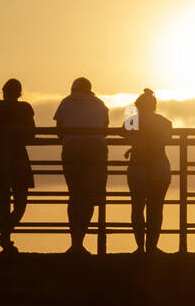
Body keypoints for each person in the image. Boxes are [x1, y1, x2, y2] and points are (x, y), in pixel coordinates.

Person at [54, 76, 110, 254]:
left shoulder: (66, 101)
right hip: (96, 151)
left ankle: (75, 243)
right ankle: (81, 241)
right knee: (91, 197)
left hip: (72, 150)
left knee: (75, 195)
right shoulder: (100, 103)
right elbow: (105, 129)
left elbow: (59, 130)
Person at [0, 78, 36, 253]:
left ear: (3, 91)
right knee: (21, 202)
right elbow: (32, 134)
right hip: (20, 157)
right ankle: (5, 235)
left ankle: (5, 236)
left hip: (1, 157)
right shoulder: (25, 108)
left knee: (2, 202)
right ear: (20, 93)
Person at [123, 88, 173, 253]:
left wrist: (135, 144)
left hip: (137, 167)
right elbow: (166, 138)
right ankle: (152, 247)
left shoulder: (132, 121)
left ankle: (139, 247)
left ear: (138, 106)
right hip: (160, 166)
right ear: (154, 106)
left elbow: (122, 132)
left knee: (137, 207)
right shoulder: (164, 122)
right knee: (156, 208)